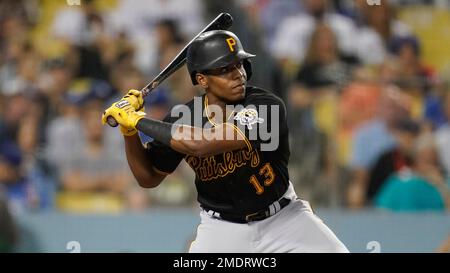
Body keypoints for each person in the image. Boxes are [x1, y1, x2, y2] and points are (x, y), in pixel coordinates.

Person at [102, 30, 348, 253]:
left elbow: (203, 143)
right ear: (202, 80)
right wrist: (129, 131)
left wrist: (139, 120)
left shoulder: (265, 105)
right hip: (221, 229)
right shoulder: (183, 116)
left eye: (239, 65)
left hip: (284, 220)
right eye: (225, 69)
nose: (238, 74)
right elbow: (148, 178)